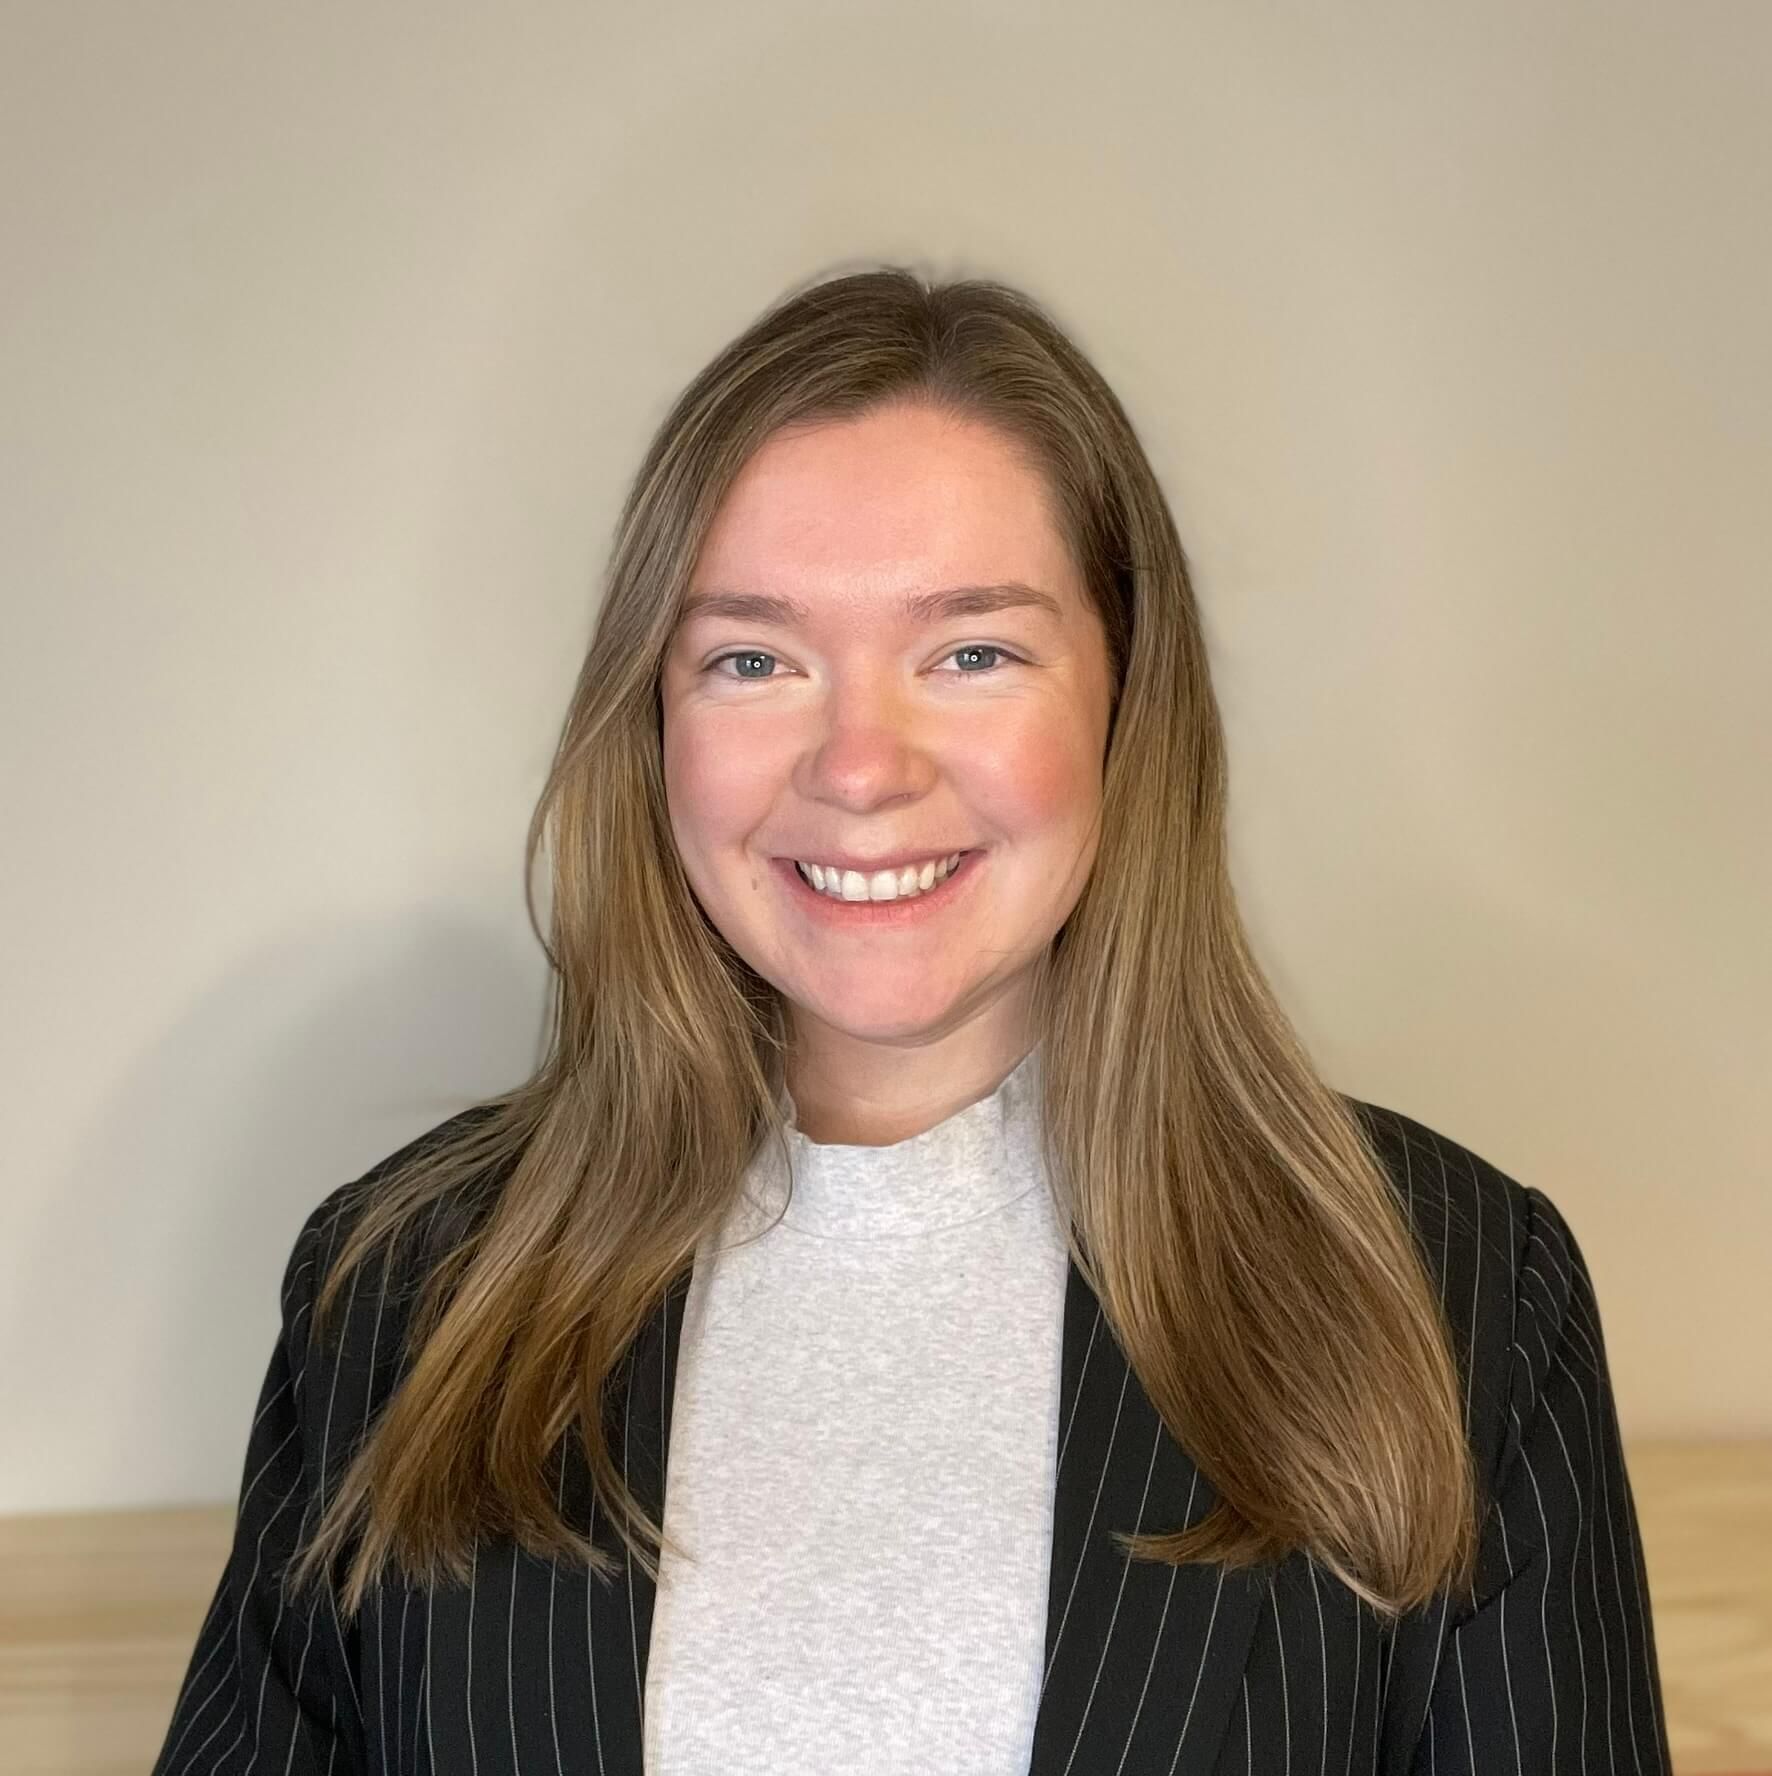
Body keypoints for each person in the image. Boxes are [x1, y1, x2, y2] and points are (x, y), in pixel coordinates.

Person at [152, 265, 1672, 1775]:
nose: (861, 767)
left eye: (973, 653)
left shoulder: (1460, 1291)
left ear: (1127, 702)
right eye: (754, 659)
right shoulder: (404, 1293)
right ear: (655, 723)